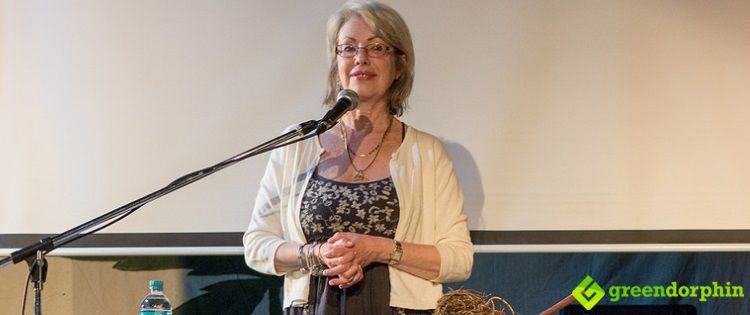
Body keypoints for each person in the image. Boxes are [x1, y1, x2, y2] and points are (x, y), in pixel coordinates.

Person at [243, 1, 473, 313]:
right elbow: (257, 245)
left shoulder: (427, 153)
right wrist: (318, 253)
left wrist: (378, 250)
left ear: (400, 64)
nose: (360, 58)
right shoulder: (297, 145)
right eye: (348, 48)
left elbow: (458, 259)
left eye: (376, 47)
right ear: (335, 61)